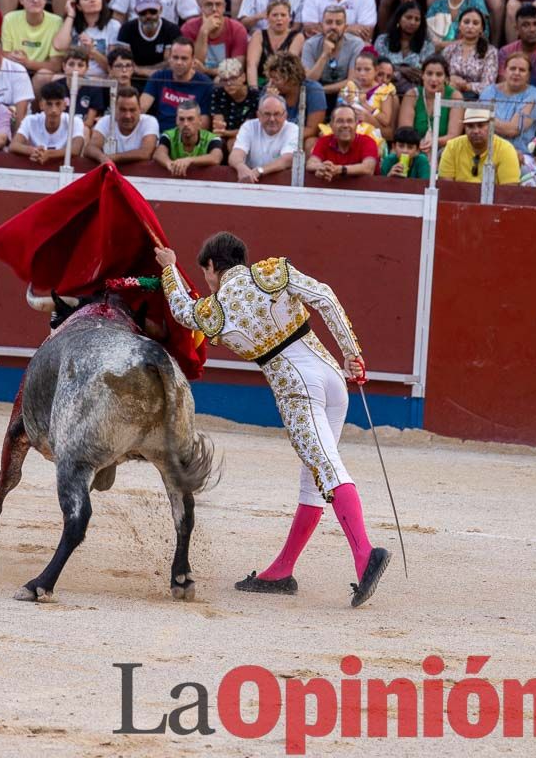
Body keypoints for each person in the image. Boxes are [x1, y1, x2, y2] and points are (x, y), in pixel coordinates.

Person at [154, 232, 390, 607]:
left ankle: (365, 558)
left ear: (213, 266)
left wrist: (169, 270)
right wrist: (351, 355)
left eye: (206, 274)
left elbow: (182, 310)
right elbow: (325, 297)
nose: (207, 282)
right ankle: (281, 570)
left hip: (297, 389)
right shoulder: (270, 273)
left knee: (326, 470)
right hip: (331, 376)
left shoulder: (215, 309)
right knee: (315, 477)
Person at [0, 0, 63, 91]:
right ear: (21, 0)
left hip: (39, 71)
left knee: (44, 75)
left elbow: (56, 65)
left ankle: (33, 109)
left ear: (45, 0)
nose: (35, 0)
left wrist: (28, 63)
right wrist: (13, 56)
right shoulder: (9, 19)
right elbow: (4, 54)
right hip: (16, 69)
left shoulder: (56, 22)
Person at [140, 37, 213, 132]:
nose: (179, 62)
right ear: (169, 58)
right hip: (158, 134)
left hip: (188, 136)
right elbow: (141, 109)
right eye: (175, 57)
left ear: (193, 60)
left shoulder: (205, 84)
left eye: (184, 58)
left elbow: (204, 124)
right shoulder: (158, 77)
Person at [52, 0, 120, 78]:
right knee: (54, 78)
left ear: (102, 0)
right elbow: (59, 46)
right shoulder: (71, 24)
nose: (92, 0)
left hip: (100, 79)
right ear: (79, 6)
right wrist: (71, 14)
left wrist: (92, 51)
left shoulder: (113, 26)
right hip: (73, 77)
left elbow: (112, 69)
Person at [301, 5, 365, 108]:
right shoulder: (310, 45)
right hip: (315, 96)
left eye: (338, 23)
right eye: (329, 22)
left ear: (345, 27)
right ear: (321, 26)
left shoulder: (356, 44)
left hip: (345, 94)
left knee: (350, 91)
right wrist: (324, 55)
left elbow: (352, 80)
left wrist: (321, 90)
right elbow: (309, 80)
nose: (333, 27)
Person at [398, 54, 464, 152]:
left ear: (446, 78)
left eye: (439, 74)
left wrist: (433, 142)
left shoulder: (455, 96)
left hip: (444, 150)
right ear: (422, 75)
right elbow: (405, 132)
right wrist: (419, 144)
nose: (433, 79)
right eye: (429, 73)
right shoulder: (412, 95)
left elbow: (453, 136)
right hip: (414, 149)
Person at [180, 0, 247, 78]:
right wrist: (203, 32)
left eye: (218, 4)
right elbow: (191, 68)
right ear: (201, 6)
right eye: (209, 4)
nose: (214, 9)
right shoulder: (188, 28)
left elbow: (237, 70)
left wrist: (207, 70)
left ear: (224, 7)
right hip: (196, 81)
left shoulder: (237, 29)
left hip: (224, 82)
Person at [9, 80, 85, 163]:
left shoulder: (75, 121)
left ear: (64, 105)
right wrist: (34, 151)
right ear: (41, 105)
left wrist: (48, 154)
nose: (54, 110)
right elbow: (14, 145)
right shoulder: (30, 120)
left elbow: (76, 149)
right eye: (49, 104)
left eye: (58, 104)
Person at [437, 107, 520, 184]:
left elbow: (509, 191)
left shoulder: (506, 149)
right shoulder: (452, 147)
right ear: (464, 127)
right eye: (470, 126)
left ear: (491, 126)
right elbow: (446, 188)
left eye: (481, 125)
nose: (476, 131)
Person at [329, 49, 395, 144]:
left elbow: (386, 121)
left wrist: (366, 107)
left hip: (371, 136)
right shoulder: (348, 87)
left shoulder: (384, 91)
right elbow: (336, 113)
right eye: (358, 69)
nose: (362, 73)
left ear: (376, 70)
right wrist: (343, 102)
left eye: (367, 69)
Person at [230, 92, 299, 182]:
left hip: (279, 183)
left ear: (285, 115)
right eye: (267, 114)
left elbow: (287, 160)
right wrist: (240, 167)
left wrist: (260, 170)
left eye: (277, 114)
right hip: (250, 182)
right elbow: (236, 153)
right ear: (258, 115)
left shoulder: (292, 129)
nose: (272, 119)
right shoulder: (249, 126)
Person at [478, 51, 536, 156]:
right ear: (505, 71)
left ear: (528, 75)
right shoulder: (489, 91)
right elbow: (479, 123)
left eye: (522, 70)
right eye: (512, 68)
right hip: (488, 150)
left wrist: (487, 120)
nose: (516, 73)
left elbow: (512, 129)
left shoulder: (534, 95)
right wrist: (483, 121)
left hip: (520, 154)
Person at [116, 0, 181, 82]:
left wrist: (141, 70)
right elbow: (123, 62)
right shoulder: (127, 29)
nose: (148, 16)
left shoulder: (172, 30)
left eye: (153, 11)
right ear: (136, 11)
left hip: (163, 80)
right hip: (133, 80)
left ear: (160, 9)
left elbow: (171, 64)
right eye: (143, 12)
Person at [83, 84, 158, 163]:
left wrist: (114, 157)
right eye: (123, 110)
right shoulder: (106, 121)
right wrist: (102, 158)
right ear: (114, 110)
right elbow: (90, 148)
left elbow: (146, 153)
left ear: (140, 110)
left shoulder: (149, 121)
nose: (128, 116)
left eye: (132, 110)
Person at [245, 0, 304, 88]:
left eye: (283, 15)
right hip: (260, 82)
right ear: (267, 17)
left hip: (285, 84)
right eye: (275, 15)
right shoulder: (258, 35)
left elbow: (289, 66)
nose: (279, 18)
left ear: (290, 18)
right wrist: (254, 90)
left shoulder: (297, 36)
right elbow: (251, 65)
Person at [152, 98, 223, 176]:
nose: (185, 124)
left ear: (200, 120)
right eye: (181, 119)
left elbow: (216, 157)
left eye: (190, 119)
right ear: (176, 120)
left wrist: (189, 160)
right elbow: (158, 153)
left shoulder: (212, 138)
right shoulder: (169, 135)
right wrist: (169, 164)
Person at [307, 104, 378, 179]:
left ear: (356, 124)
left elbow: (368, 168)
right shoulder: (324, 141)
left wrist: (340, 169)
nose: (345, 125)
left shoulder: (368, 141)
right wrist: (322, 167)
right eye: (340, 121)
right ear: (331, 125)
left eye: (350, 121)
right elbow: (310, 164)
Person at [442, 7, 496, 99]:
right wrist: (450, 81)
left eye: (475, 23)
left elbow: (488, 85)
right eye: (466, 22)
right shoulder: (450, 49)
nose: (470, 26)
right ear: (459, 26)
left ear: (482, 29)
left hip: (477, 99)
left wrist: (466, 86)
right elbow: (440, 75)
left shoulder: (490, 52)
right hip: (449, 95)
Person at [210, 57, 260, 149]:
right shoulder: (218, 93)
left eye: (233, 78)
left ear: (243, 77)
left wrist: (226, 133)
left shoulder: (254, 95)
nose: (229, 83)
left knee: (234, 142)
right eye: (224, 80)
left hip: (249, 137)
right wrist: (223, 131)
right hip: (224, 137)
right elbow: (218, 126)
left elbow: (247, 130)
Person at [373, 0, 430, 77]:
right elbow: (377, 65)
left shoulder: (426, 46)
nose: (412, 22)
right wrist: (400, 70)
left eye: (417, 19)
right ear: (398, 19)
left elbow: (427, 71)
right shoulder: (383, 41)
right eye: (408, 17)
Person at [497, 2, 536, 86]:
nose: (532, 29)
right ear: (517, 29)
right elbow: (503, 85)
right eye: (526, 25)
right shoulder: (505, 52)